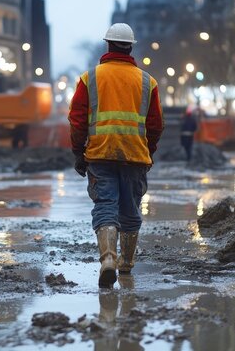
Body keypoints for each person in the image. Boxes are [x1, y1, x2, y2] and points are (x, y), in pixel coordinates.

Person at [68, 23, 164, 288]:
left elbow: (77, 120)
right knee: (130, 210)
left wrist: (79, 152)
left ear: (107, 45)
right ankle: (126, 265)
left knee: (105, 206)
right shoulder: (147, 81)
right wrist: (149, 151)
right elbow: (155, 125)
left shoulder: (90, 78)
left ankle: (108, 259)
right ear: (130, 47)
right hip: (135, 156)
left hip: (100, 154)